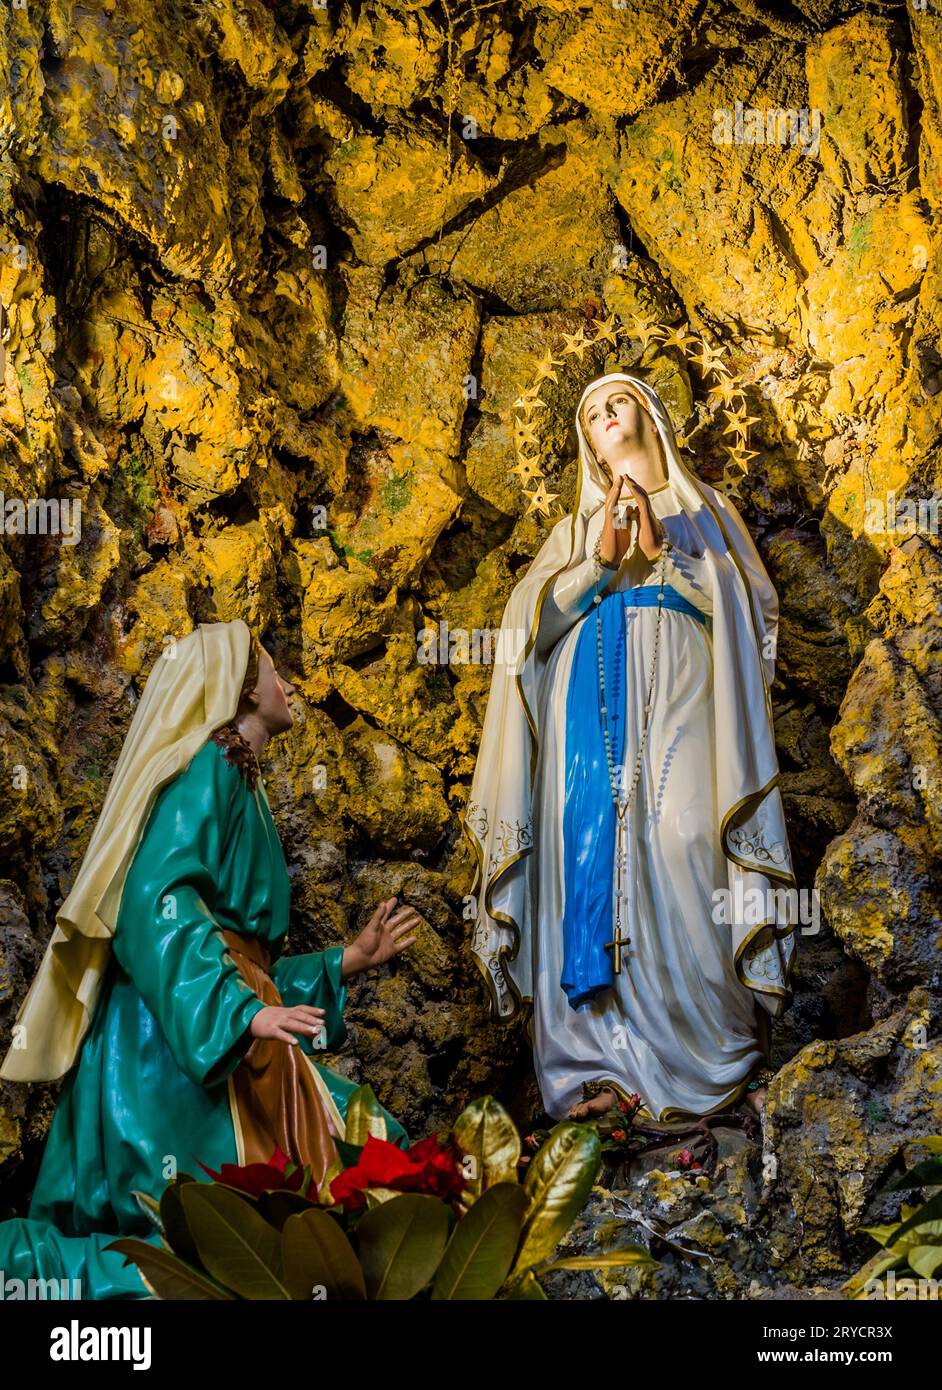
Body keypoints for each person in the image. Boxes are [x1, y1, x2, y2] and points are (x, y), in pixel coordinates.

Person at [0, 620, 418, 1298]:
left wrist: (347, 961)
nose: (287, 682)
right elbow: (154, 904)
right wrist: (239, 1014)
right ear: (239, 689)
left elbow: (238, 960)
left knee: (306, 1214)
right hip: (173, 1048)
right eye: (270, 667)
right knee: (215, 1250)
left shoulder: (239, 780)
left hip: (214, 1030)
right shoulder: (211, 766)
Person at [463, 371, 797, 1127]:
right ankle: (596, 1066)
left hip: (684, 702)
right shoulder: (572, 533)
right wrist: (596, 565)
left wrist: (667, 553)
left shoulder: (704, 511)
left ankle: (704, 1052)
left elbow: (760, 626)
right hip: (585, 716)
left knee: (684, 840)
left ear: (650, 417)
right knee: (583, 860)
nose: (605, 416)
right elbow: (527, 634)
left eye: (618, 403)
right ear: (585, 442)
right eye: (590, 413)